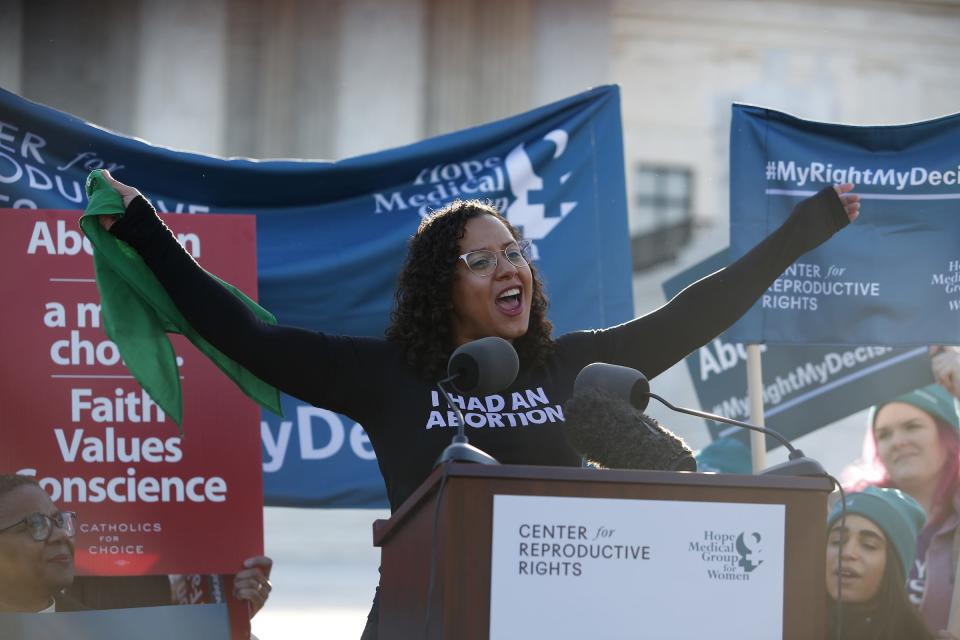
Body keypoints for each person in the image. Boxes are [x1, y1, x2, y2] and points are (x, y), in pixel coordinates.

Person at [95, 171, 860, 638]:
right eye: (483, 259)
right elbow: (240, 332)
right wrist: (145, 228)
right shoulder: (384, 374)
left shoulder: (570, 365)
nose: (512, 267)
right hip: (426, 625)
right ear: (442, 286)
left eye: (517, 252)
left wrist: (809, 225)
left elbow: (702, 310)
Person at [0, 474, 271, 622]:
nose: (60, 534)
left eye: (60, 520)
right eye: (35, 524)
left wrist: (228, 624)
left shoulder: (109, 631)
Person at [844, 366, 960, 635]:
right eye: (884, 434)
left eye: (912, 427)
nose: (897, 441)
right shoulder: (851, 512)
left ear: (947, 436)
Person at [825, 486, 933, 640]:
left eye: (869, 545)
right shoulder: (787, 625)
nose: (848, 553)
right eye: (837, 541)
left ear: (894, 567)